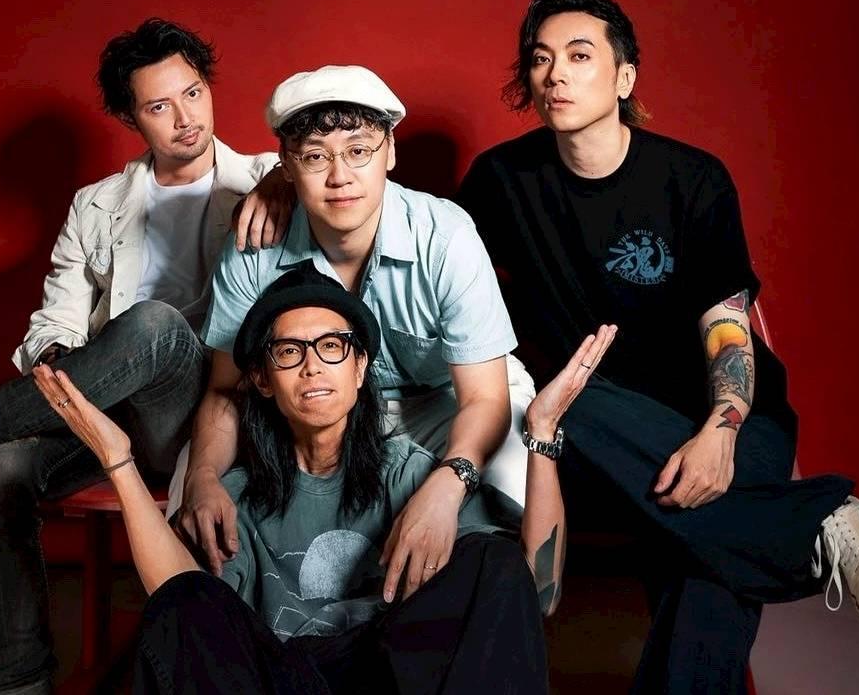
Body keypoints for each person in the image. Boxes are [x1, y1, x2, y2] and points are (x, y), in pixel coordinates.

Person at [0, 18, 289, 694]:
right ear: (130, 118)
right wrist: (69, 367)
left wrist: (284, 178)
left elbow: (338, 182)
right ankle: (17, 685)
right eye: (159, 106)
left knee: (153, 325)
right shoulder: (96, 206)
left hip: (208, 414)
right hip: (107, 411)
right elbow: (54, 322)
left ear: (208, 88)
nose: (185, 119)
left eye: (192, 93)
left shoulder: (267, 179)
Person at [455, 0, 859, 693]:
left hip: (728, 415)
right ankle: (821, 518)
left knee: (707, 569)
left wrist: (722, 426)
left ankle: (793, 513)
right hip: (599, 427)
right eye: (541, 59)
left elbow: (726, 323)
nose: (556, 74)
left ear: (625, 76)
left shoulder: (692, 179)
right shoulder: (500, 181)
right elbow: (422, 249)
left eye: (579, 55)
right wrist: (282, 188)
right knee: (568, 397)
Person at [35, 266, 614, 694]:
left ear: (360, 369)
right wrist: (119, 461)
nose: (313, 364)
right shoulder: (236, 494)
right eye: (289, 351)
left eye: (332, 347)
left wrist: (541, 437)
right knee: (186, 603)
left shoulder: (410, 472)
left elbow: (537, 593)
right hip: (280, 678)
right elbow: (180, 602)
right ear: (262, 380)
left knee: (493, 559)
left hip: (388, 676)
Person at [174, 65, 541, 605]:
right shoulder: (255, 247)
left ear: (390, 151)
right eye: (315, 157)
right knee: (191, 497)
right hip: (317, 407)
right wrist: (203, 476)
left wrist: (448, 484)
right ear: (286, 165)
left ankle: (505, 626)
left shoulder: (445, 234)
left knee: (514, 487)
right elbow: (227, 389)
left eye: (359, 151)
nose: (340, 176)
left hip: (451, 398)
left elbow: (484, 398)